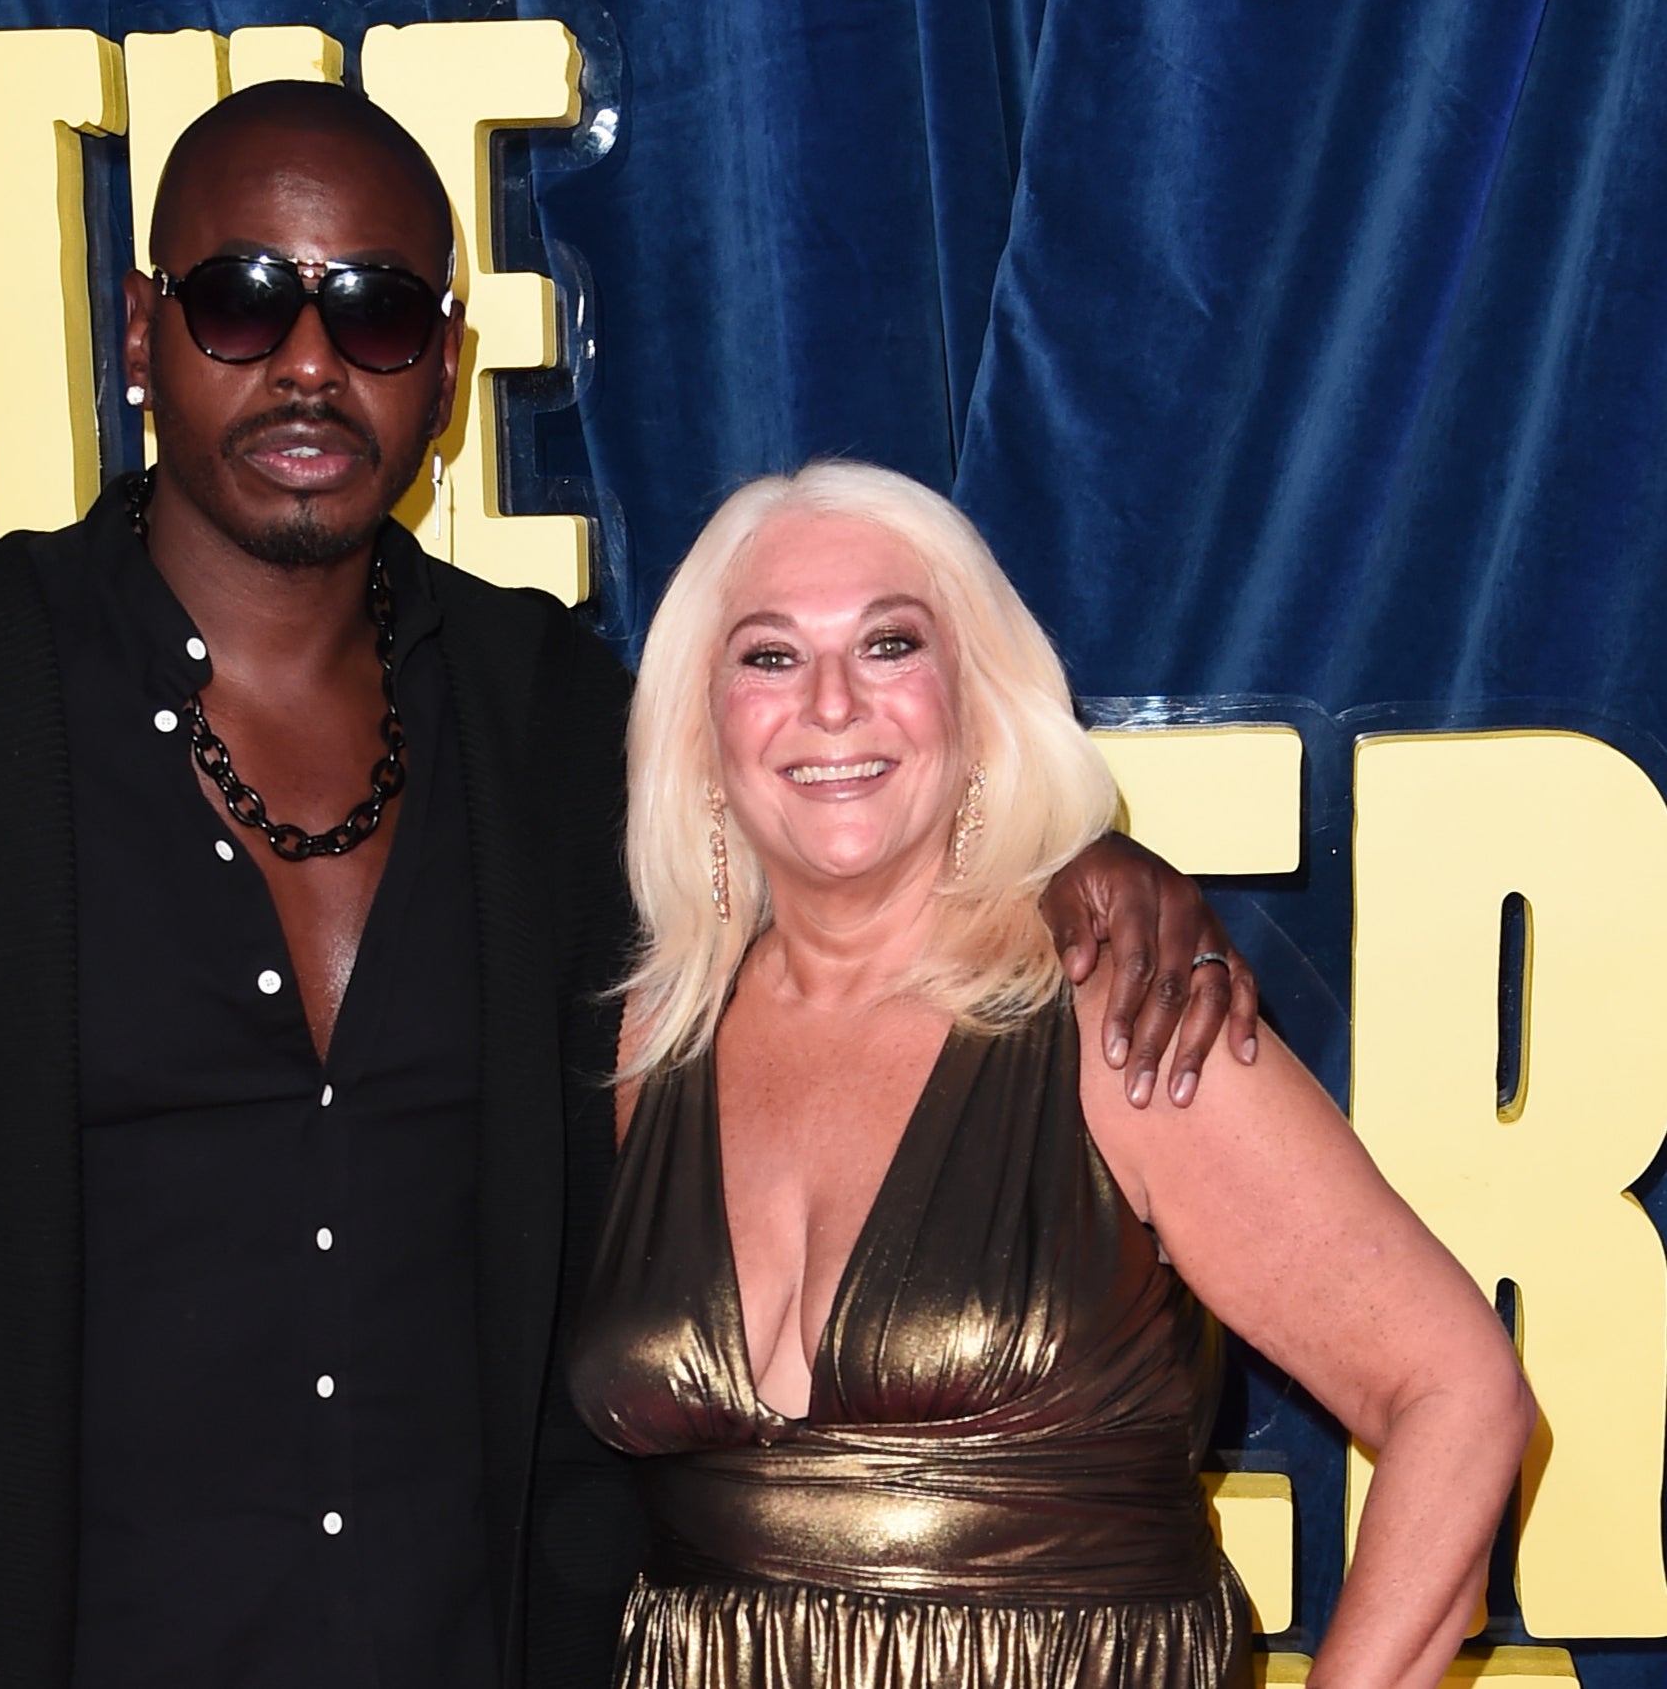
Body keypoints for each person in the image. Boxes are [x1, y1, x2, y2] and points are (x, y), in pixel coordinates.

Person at [0, 86, 1252, 1689]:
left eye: (375, 313)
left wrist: (1066, 857)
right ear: (141, 333)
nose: (310, 363)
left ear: (444, 369)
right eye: (246, 299)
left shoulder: (554, 724)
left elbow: (846, 844)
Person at [568, 461, 1535, 1689]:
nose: (827, 703)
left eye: (888, 644)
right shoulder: (650, 1034)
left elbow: (1455, 1389)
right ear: (698, 728)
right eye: (767, 656)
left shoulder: (1120, 1012)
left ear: (974, 703)